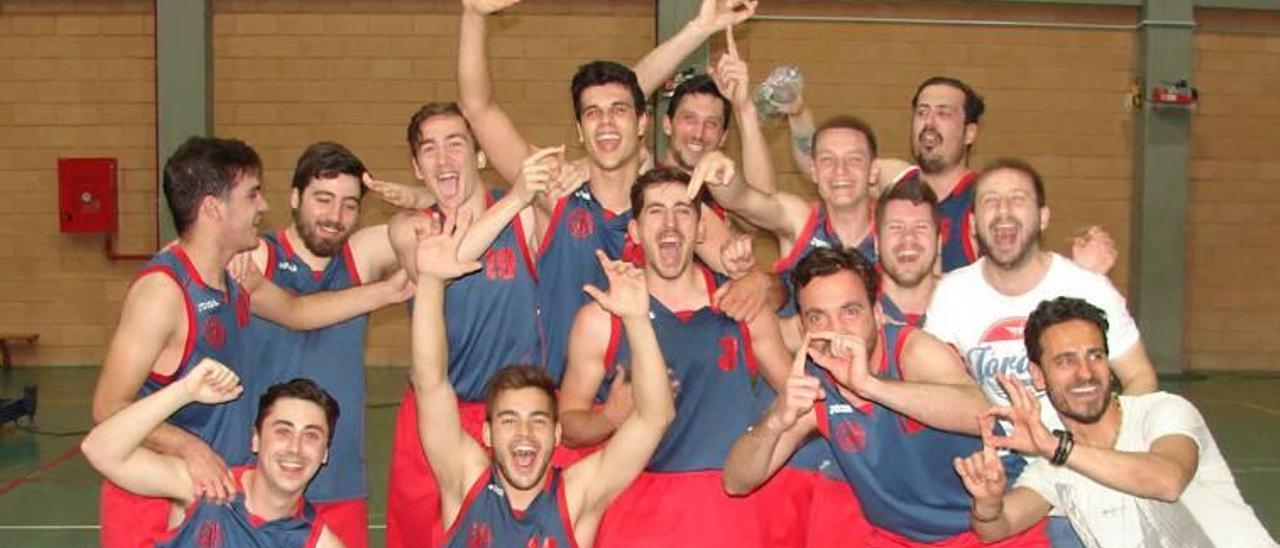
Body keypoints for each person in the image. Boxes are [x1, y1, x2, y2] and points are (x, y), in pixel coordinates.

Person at [91, 137, 407, 548]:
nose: (262, 206)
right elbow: (107, 408)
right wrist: (190, 448)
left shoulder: (235, 277)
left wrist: (389, 291)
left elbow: (297, 311)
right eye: (252, 195)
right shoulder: (163, 293)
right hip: (157, 495)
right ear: (213, 208)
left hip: (219, 491)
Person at [456, 0, 769, 381]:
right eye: (592, 113)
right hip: (563, 407)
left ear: (641, 123)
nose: (605, 122)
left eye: (619, 111)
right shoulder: (553, 191)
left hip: (644, 415)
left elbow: (749, 270)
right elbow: (478, 108)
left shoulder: (672, 204)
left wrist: (756, 278)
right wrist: (473, 15)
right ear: (579, 131)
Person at [723, 247, 1049, 547]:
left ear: (877, 313)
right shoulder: (816, 387)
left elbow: (979, 414)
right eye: (818, 317)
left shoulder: (913, 351)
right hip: (900, 539)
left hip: (989, 530)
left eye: (850, 312)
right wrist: (775, 420)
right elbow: (737, 481)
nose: (836, 329)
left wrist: (870, 386)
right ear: (804, 327)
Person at [924, 158, 1158, 546]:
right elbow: (938, 387)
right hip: (1008, 474)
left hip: (1081, 473)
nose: (1002, 211)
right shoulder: (952, 294)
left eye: (1017, 199)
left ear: (1044, 217)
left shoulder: (1087, 286)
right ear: (972, 224)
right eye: (990, 201)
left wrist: (1102, 449)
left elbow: (1140, 377)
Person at [408, 209, 675, 547]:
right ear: (487, 433)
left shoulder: (576, 497)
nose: (524, 433)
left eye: (537, 420)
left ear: (557, 433)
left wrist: (636, 319)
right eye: (509, 420)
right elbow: (430, 383)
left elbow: (655, 418)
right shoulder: (465, 483)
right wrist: (430, 282)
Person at [558, 167, 775, 546]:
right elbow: (570, 426)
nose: (670, 224)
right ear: (636, 231)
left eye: (683, 210)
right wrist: (608, 417)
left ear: (701, 229)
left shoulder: (743, 305)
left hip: (728, 510)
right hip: (637, 509)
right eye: (655, 211)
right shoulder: (600, 319)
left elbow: (795, 399)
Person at [954, 297, 1276, 548]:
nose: (1085, 373)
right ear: (1038, 375)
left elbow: (1167, 480)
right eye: (1065, 361)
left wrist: (1055, 447)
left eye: (1095, 356)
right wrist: (988, 503)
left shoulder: (1163, 412)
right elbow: (997, 528)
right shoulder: (1054, 465)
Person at [380, 103, 556, 548]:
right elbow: (440, 263)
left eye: (456, 144)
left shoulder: (526, 218)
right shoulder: (409, 227)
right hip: (435, 410)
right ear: (416, 167)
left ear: (480, 156)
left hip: (509, 416)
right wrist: (517, 195)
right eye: (430, 150)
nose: (444, 160)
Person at [237, 141, 413, 548]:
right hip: (265, 478)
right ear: (295, 197)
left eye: (350, 205)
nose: (335, 217)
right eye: (323, 199)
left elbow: (435, 225)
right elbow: (295, 311)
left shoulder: (358, 257)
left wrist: (418, 199)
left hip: (340, 481)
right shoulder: (259, 256)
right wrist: (385, 291)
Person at [778, 76, 1117, 274]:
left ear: (970, 133)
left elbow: (1028, 271)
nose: (929, 122)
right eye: (922, 112)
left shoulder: (989, 199)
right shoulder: (894, 179)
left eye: (943, 113)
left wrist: (1083, 273)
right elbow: (827, 165)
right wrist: (798, 114)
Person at [81, 358, 344, 547]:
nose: (295, 448)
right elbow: (99, 451)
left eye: (311, 436)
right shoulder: (209, 486)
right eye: (283, 431)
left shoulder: (317, 542)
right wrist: (184, 392)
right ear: (255, 439)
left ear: (324, 454)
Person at [874, 173, 941, 327]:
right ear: (877, 243)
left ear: (939, 241)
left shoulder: (966, 304)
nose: (909, 237)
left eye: (921, 227)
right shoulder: (856, 307)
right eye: (896, 227)